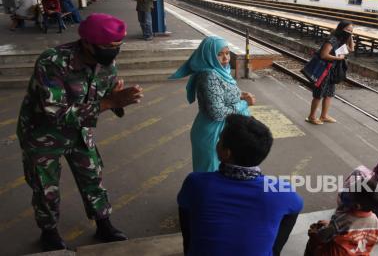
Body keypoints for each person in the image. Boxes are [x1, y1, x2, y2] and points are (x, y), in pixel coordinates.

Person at [17, 13, 144, 251]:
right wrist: (110, 102)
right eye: (107, 46)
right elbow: (55, 112)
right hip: (42, 134)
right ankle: (49, 231)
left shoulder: (107, 64)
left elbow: (106, 99)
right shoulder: (52, 62)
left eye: (118, 46)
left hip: (79, 131)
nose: (113, 52)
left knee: (92, 177)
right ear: (86, 42)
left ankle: (103, 223)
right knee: (46, 187)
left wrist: (118, 100)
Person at [178, 114, 303, 255]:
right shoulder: (282, 191)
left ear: (226, 153)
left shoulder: (196, 183)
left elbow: (185, 216)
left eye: (220, 139)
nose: (217, 142)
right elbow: (297, 205)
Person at [169, 36, 255, 172]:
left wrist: (239, 95)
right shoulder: (209, 76)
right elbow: (218, 113)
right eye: (219, 54)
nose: (226, 58)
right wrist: (244, 103)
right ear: (208, 55)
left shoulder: (221, 71)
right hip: (213, 135)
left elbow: (222, 92)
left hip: (226, 132)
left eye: (227, 53)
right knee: (210, 176)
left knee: (225, 176)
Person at [304, 180, 378, 256]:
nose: (347, 192)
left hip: (333, 253)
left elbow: (322, 236)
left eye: (350, 192)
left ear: (357, 206)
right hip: (358, 253)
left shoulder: (343, 220)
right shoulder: (376, 222)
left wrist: (315, 233)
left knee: (314, 239)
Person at [306, 20, 354, 125]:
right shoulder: (332, 40)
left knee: (329, 94)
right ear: (341, 28)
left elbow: (351, 49)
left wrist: (350, 36)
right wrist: (338, 58)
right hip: (324, 70)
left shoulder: (341, 40)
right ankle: (312, 116)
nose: (349, 32)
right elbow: (324, 55)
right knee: (319, 94)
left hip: (332, 71)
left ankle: (324, 116)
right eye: (347, 30)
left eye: (351, 31)